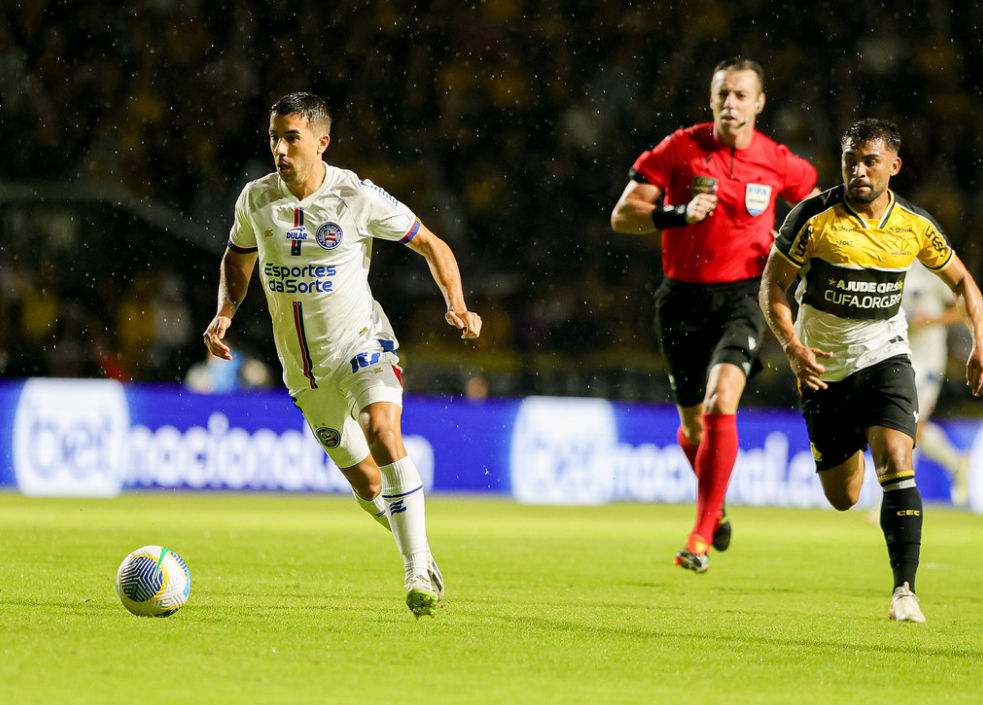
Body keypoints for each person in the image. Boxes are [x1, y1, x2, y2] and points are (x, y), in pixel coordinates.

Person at [203, 92, 482, 618]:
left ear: (321, 142)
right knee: (368, 483)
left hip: (363, 344)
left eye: (291, 137)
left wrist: (457, 305)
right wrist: (225, 314)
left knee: (383, 432)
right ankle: (415, 543)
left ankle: (415, 567)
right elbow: (236, 257)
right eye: (273, 138)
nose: (280, 149)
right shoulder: (256, 200)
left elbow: (432, 244)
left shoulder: (356, 196)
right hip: (303, 373)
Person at [759, 118, 983, 623]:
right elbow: (771, 286)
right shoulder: (812, 217)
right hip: (822, 370)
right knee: (845, 496)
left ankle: (905, 591)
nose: (858, 170)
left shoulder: (915, 226)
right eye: (850, 161)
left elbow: (965, 283)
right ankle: (853, 439)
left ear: (894, 166)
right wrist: (792, 345)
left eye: (870, 161)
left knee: (898, 460)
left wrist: (978, 345)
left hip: (886, 358)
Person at [610, 57, 818, 573]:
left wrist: (793, 242)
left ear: (759, 102)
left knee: (721, 402)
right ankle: (715, 506)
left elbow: (812, 208)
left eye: (741, 95)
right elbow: (622, 215)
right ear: (711, 98)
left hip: (745, 298)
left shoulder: (777, 160)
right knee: (693, 428)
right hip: (681, 299)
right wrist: (675, 214)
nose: (731, 104)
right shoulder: (680, 148)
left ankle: (699, 538)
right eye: (723, 94)